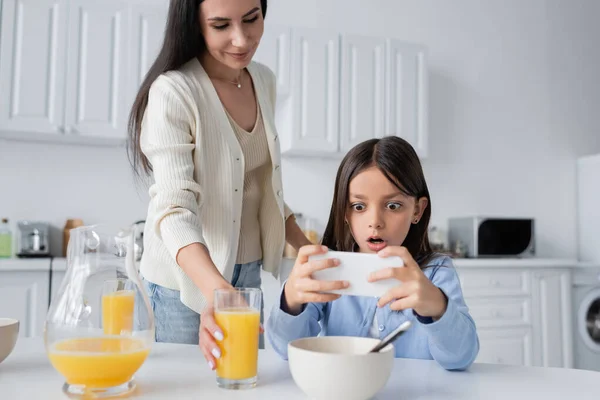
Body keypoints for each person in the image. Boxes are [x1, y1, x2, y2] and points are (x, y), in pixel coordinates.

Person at [127, 0, 311, 371]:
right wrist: (218, 290)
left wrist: (309, 251)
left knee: (241, 382)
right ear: (194, 24)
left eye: (251, 19)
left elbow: (260, 185)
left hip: (247, 274)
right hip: (182, 282)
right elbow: (174, 208)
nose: (241, 39)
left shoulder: (263, 80)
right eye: (221, 25)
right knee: (182, 387)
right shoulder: (174, 91)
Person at [266, 136, 480, 371]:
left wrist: (438, 307)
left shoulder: (436, 272)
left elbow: (460, 358)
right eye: (359, 207)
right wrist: (291, 301)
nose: (375, 222)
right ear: (345, 213)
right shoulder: (329, 269)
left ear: (417, 210)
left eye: (393, 206)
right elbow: (284, 349)